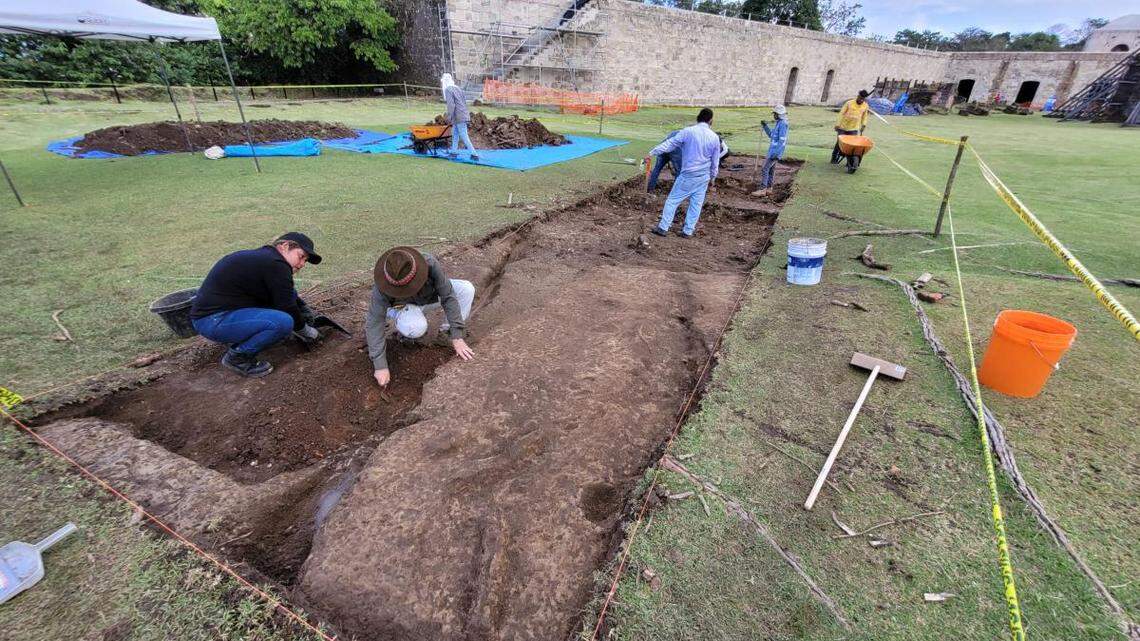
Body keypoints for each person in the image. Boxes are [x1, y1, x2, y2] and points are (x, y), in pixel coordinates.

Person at [190, 232, 323, 378]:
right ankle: (237, 358)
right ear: (285, 246)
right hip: (213, 320)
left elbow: (285, 293)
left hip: (218, 316)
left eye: (305, 260)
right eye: (301, 256)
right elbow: (286, 306)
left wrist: (302, 309)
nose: (302, 264)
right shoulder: (276, 264)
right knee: (283, 322)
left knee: (286, 304)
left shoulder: (266, 259)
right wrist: (305, 330)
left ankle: (242, 336)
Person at [366, 246, 476, 387]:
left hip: (429, 298)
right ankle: (402, 326)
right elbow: (374, 322)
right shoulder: (382, 284)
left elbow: (448, 296)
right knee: (416, 327)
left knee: (466, 289)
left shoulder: (429, 263)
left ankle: (446, 334)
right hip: (403, 307)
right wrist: (380, 366)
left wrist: (457, 335)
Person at [648, 108, 721, 239]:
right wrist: (713, 177)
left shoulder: (688, 131)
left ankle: (663, 227)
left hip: (689, 174)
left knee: (672, 200)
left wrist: (652, 152)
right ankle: (688, 231)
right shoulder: (714, 137)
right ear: (711, 121)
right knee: (696, 204)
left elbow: (670, 144)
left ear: (697, 118)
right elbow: (715, 161)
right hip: (703, 177)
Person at [441, 73, 479, 162]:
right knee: (455, 134)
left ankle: (474, 154)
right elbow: (463, 102)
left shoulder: (448, 90)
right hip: (463, 113)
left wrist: (449, 117)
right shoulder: (458, 88)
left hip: (458, 116)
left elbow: (451, 105)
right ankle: (454, 152)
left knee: (463, 135)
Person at [752, 104, 788, 197]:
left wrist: (777, 153)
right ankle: (769, 188)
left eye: (775, 114)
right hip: (773, 151)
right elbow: (771, 135)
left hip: (775, 152)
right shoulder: (779, 123)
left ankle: (763, 189)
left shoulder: (783, 124)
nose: (774, 115)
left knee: (765, 168)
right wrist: (765, 126)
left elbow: (782, 140)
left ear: (779, 114)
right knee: (771, 170)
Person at [832, 89, 870, 171]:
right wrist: (837, 124)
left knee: (852, 145)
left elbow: (864, 116)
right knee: (840, 143)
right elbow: (841, 113)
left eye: (862, 99)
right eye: (860, 98)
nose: (860, 100)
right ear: (858, 96)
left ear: (864, 99)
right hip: (843, 126)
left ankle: (849, 161)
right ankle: (834, 157)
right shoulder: (849, 103)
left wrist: (863, 124)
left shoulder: (865, 106)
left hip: (854, 128)